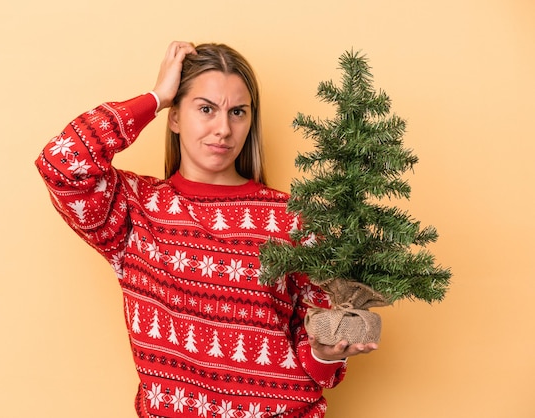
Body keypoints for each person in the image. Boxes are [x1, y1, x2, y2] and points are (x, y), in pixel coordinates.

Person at [35, 41, 377, 418]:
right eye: (206, 109)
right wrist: (157, 96)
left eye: (238, 112)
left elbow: (315, 358)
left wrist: (323, 353)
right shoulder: (136, 208)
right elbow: (61, 162)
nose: (223, 129)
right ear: (176, 117)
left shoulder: (293, 218)